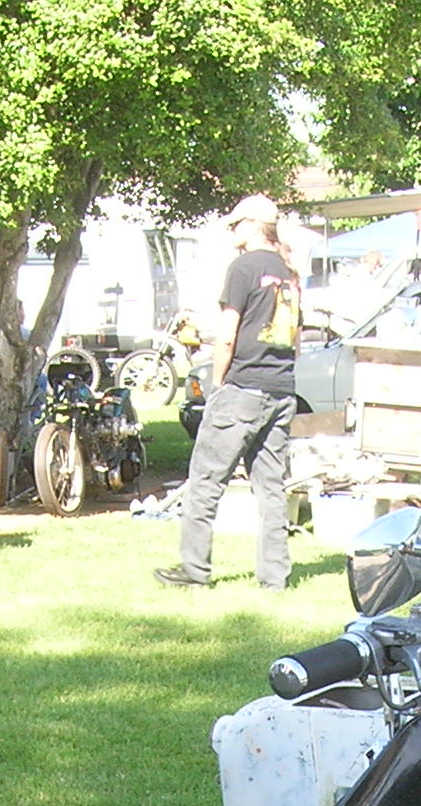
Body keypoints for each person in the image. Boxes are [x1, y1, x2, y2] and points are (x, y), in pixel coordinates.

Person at [156, 194, 301, 592]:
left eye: (236, 224)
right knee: (271, 490)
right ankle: (275, 579)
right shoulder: (289, 272)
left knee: (205, 482)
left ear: (254, 225)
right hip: (282, 390)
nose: (232, 231)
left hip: (242, 388)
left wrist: (219, 385)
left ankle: (194, 571)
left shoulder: (243, 268)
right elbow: (295, 338)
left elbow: (227, 336)